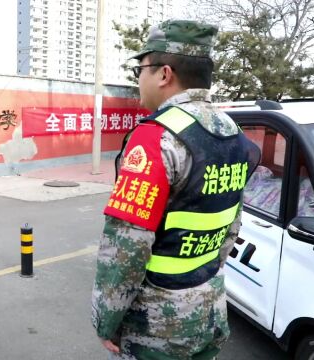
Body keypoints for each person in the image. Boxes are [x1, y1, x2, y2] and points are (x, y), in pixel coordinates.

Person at [91, 20, 260, 359]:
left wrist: (105, 321)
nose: (138, 78)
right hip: (209, 307)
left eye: (141, 69)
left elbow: (126, 249)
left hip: (156, 326)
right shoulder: (231, 131)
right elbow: (232, 225)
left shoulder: (156, 138)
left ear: (164, 74)